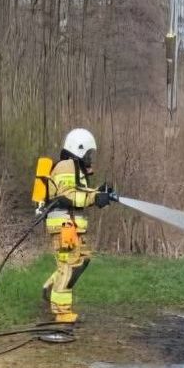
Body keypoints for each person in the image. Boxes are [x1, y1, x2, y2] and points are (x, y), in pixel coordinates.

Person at [41, 128, 117, 323]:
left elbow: (79, 192)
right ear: (79, 149)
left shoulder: (74, 168)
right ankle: (62, 312)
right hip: (64, 225)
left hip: (71, 226)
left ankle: (51, 287)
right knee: (69, 265)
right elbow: (68, 195)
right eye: (88, 153)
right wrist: (94, 197)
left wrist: (99, 193)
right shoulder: (67, 166)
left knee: (82, 259)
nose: (90, 158)